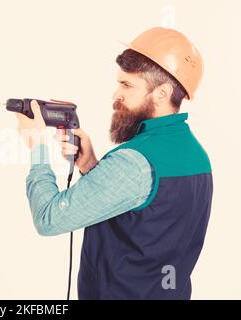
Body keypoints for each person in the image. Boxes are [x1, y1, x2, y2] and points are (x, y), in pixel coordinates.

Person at [16, 27, 212, 299]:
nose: (115, 95)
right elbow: (146, 221)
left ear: (162, 92)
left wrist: (37, 146)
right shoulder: (197, 155)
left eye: (127, 85)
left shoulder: (135, 161)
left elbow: (49, 219)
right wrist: (92, 167)